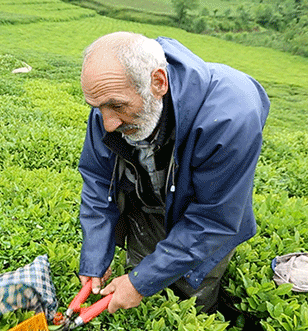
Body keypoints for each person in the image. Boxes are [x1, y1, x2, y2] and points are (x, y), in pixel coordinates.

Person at [77, 31, 270, 314]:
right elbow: (98, 181)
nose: (107, 124)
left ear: (158, 82)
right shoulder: (112, 99)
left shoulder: (231, 118)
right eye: (98, 108)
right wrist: (95, 258)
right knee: (142, 274)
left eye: (117, 106)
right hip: (150, 197)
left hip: (207, 213)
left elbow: (212, 219)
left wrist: (140, 284)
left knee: (193, 289)